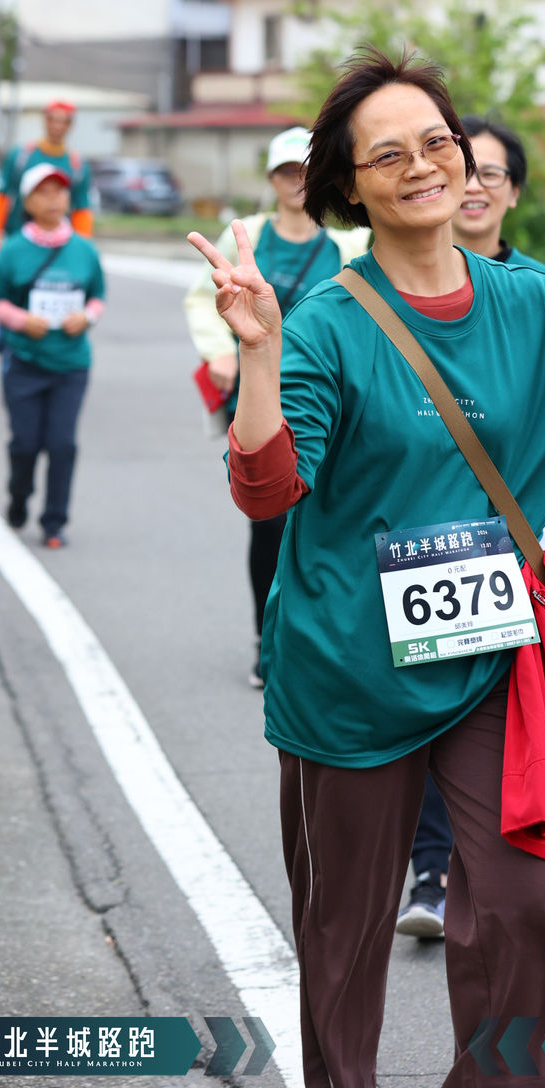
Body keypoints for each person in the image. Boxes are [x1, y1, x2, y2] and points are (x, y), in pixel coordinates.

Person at [188, 47, 545, 1088]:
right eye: (389, 154)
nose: (422, 164)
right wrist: (258, 356)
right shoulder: (325, 324)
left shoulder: (532, 304)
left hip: (489, 654)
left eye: (437, 141)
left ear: (465, 157)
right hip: (348, 664)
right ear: (348, 186)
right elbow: (267, 489)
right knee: (344, 931)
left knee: (520, 901)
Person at [395, 114, 545, 941]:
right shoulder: (383, 290)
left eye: (489, 173)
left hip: (520, 529)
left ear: (513, 192)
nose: (471, 186)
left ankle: (532, 851)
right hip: (426, 542)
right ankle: (432, 869)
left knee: (515, 702)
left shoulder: (538, 293)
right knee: (443, 696)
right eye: (459, 168)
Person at [183, 125, 370, 686]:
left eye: (306, 171)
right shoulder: (248, 235)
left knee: (335, 516)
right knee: (268, 522)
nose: (297, 181)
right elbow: (203, 297)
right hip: (259, 394)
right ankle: (267, 639)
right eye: (287, 171)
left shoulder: (350, 245)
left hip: (332, 401)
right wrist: (219, 351)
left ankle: (329, 639)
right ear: (272, 178)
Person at [0, 162, 105, 547]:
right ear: (28, 201)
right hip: (24, 362)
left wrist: (86, 317)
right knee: (25, 444)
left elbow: (98, 296)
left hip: (71, 365)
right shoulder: (13, 250)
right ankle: (18, 495)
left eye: (60, 191)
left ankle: (54, 522)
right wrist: (21, 320)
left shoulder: (84, 250)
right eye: (44, 192)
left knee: (62, 445)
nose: (54, 199)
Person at [0, 99, 93, 262]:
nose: (57, 126)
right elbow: (2, 199)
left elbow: (82, 210)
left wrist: (83, 253)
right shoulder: (21, 157)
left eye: (64, 121)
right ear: (44, 120)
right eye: (53, 119)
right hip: (19, 240)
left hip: (58, 249)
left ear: (71, 125)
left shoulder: (77, 166)